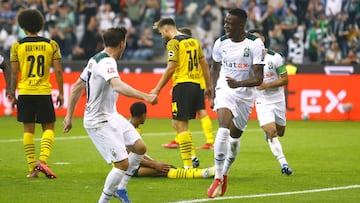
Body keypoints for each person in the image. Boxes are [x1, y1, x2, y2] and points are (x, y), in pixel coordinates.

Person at [63, 27, 158, 203]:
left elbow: (77, 86)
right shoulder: (107, 62)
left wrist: (69, 116)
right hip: (98, 121)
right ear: (122, 43)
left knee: (139, 148)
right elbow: (117, 86)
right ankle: (104, 200)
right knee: (122, 164)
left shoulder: (95, 59)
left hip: (111, 116)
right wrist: (145, 96)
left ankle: (120, 189)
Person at [207, 8, 265, 198]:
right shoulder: (221, 42)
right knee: (223, 128)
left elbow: (258, 78)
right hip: (225, 90)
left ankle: (225, 173)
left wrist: (239, 83)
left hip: (245, 95)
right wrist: (214, 90)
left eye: (230, 23)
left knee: (234, 139)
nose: (226, 26)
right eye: (225, 22)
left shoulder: (255, 45)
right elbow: (214, 66)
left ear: (241, 25)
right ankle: (217, 176)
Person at [8, 9, 64, 179]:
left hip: (25, 91)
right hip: (43, 91)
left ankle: (33, 169)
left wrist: (12, 92)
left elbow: (14, 73)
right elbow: (59, 71)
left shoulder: (17, 45)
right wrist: (61, 92)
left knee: (28, 129)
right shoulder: (51, 45)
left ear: (23, 26)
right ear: (41, 25)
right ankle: (43, 161)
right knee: (49, 127)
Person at [151, 18, 211, 169]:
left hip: (183, 85)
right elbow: (204, 63)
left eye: (160, 32)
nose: (161, 36)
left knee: (180, 124)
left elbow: (171, 67)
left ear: (166, 29)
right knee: (176, 123)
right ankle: (192, 156)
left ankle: (188, 166)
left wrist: (157, 89)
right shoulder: (194, 41)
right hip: (197, 85)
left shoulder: (173, 43)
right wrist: (208, 85)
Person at [128, 101, 215, 178]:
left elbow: (137, 154)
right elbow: (130, 156)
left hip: (132, 164)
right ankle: (204, 173)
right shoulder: (128, 131)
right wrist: (154, 165)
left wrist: (154, 162)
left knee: (167, 167)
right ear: (144, 115)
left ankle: (200, 172)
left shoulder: (131, 128)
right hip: (128, 168)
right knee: (166, 170)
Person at [249, 29, 293, 176]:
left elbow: (285, 79)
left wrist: (266, 85)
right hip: (262, 101)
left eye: (258, 38)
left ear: (263, 39)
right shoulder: (247, 59)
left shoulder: (275, 58)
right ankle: (283, 163)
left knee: (280, 132)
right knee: (272, 131)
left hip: (278, 100)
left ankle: (269, 135)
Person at [162, 27, 214, 150]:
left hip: (186, 84)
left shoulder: (181, 47)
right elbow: (204, 65)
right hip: (197, 84)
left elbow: (175, 68)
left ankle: (187, 143)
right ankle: (207, 141)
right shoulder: (195, 48)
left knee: (181, 116)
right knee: (197, 113)